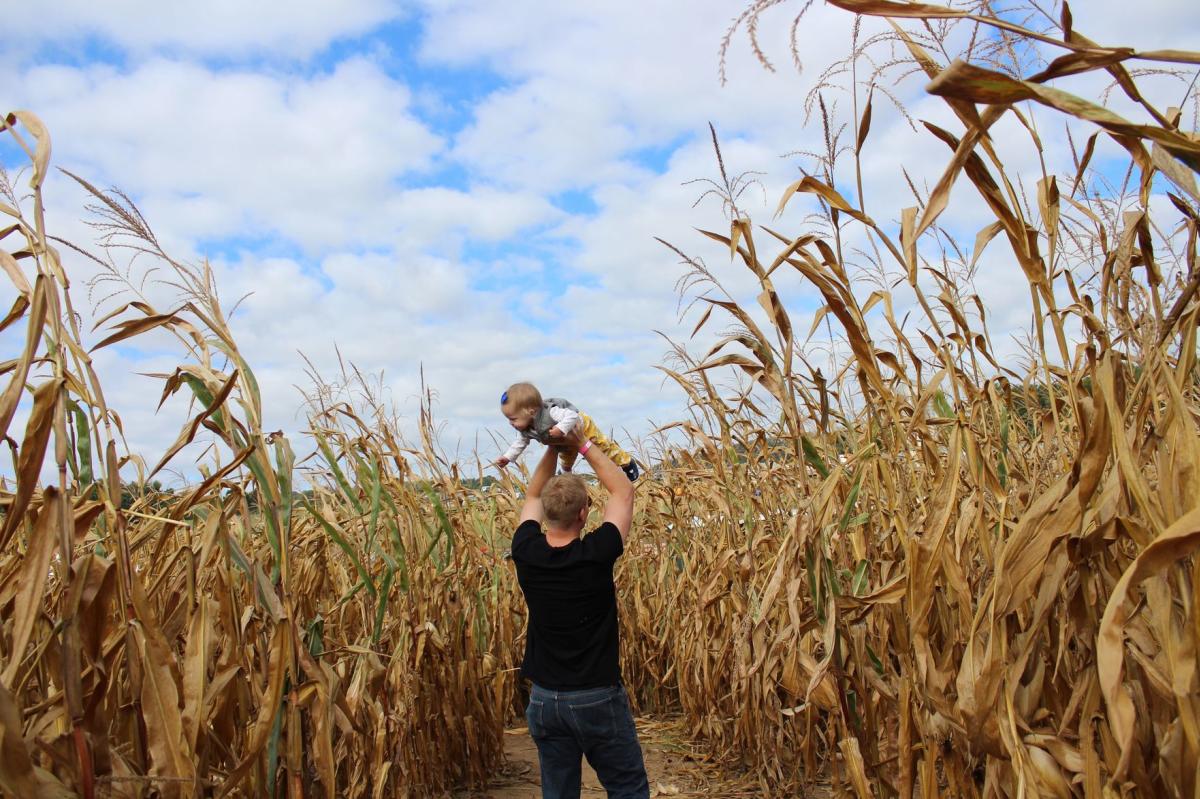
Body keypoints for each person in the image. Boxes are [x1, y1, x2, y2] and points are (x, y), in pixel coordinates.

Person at [509, 427, 649, 799]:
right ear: (585, 513)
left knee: (558, 792)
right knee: (628, 789)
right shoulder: (596, 553)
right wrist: (583, 442)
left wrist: (553, 449)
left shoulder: (525, 550)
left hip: (544, 701)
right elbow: (623, 491)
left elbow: (533, 493)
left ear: (545, 514)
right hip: (596, 698)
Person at [494, 382, 639, 481]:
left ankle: (626, 462)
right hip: (564, 443)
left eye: (513, 419)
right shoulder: (526, 430)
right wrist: (507, 457)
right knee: (566, 463)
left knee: (602, 446)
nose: (510, 423)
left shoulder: (550, 412)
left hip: (582, 428)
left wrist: (560, 428)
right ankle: (571, 485)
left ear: (530, 411)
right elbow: (519, 444)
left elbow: (572, 415)